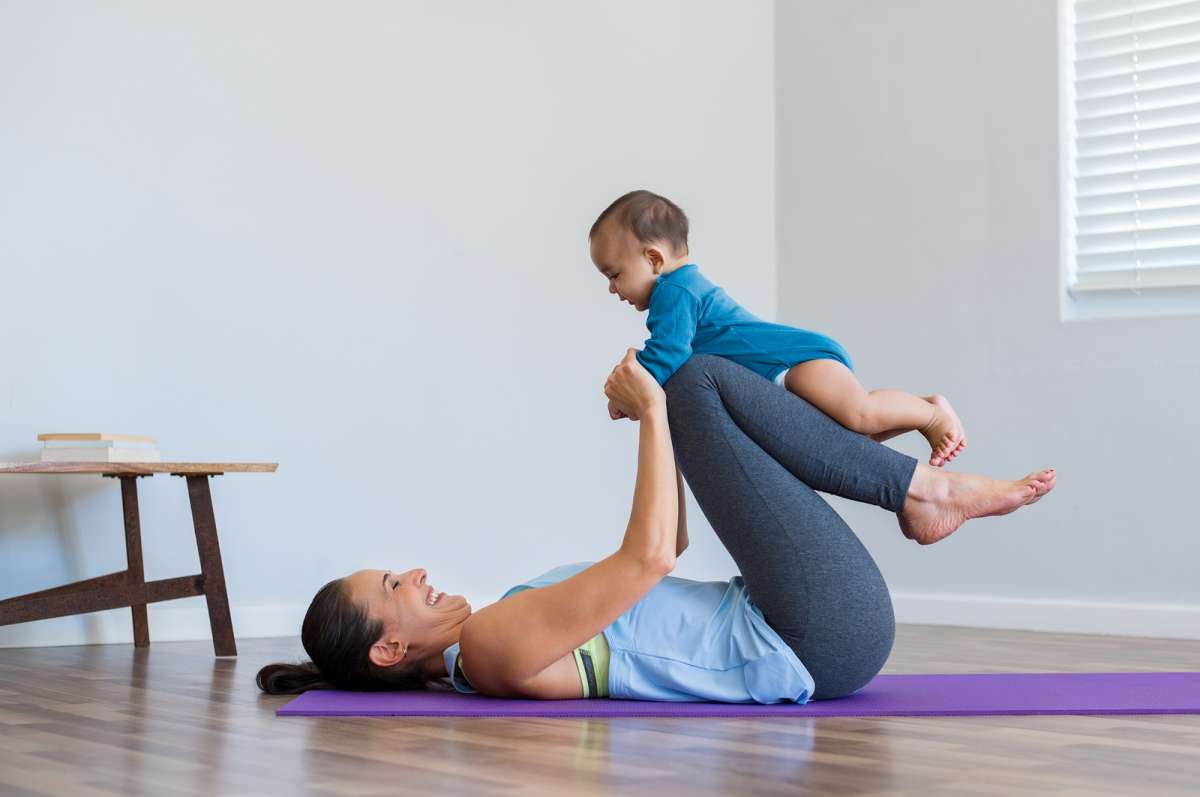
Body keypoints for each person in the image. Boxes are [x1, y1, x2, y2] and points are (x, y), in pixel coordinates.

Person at [257, 350, 1055, 702]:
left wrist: (658, 420)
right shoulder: (494, 644)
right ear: (389, 647)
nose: (417, 573)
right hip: (811, 637)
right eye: (396, 585)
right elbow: (644, 561)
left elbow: (665, 546)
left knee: (702, 385)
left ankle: (918, 490)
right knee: (699, 380)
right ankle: (922, 491)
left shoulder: (501, 623)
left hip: (805, 625)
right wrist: (652, 411)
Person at [591, 189, 967, 467]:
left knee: (860, 414)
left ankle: (931, 411)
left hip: (796, 360)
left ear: (653, 258)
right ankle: (919, 418)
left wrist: (628, 396)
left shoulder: (673, 291)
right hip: (786, 369)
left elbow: (668, 352)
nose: (612, 288)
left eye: (615, 274)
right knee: (851, 440)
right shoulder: (682, 287)